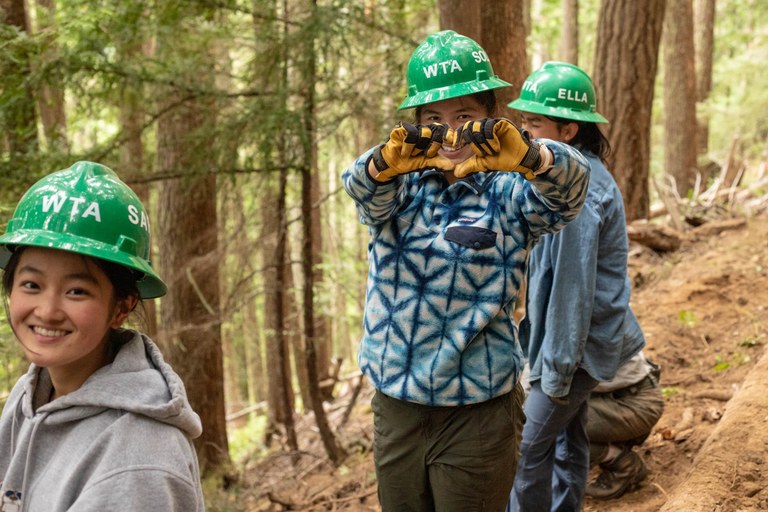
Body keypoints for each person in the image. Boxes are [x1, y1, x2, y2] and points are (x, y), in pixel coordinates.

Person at [341, 32, 590, 511]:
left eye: (465, 116)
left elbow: (571, 189)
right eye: (434, 118)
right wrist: (381, 165)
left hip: (478, 413)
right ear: (416, 123)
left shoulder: (510, 192)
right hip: (397, 406)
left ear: (490, 117)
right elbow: (358, 187)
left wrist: (530, 157)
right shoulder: (399, 188)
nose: (450, 132)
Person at [0, 162, 205, 511]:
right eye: (32, 285)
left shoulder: (140, 461)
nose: (47, 310)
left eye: (77, 291)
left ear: (121, 307)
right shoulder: (30, 394)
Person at [506, 61, 646, 512]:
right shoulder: (563, 178)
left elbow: (571, 292)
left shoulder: (578, 195)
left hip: (576, 347)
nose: (525, 134)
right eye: (523, 121)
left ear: (568, 131)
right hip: (574, 341)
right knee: (568, 439)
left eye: (535, 123)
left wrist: (556, 372)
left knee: (525, 450)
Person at [586, 350, 664, 500]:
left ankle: (624, 465)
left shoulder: (562, 329)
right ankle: (612, 446)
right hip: (619, 396)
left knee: (546, 424)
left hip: (634, 403)